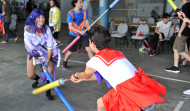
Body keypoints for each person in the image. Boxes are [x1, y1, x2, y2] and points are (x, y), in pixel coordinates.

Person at [70, 25, 166, 111]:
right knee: (101, 103)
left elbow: (86, 75)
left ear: (92, 43)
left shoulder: (94, 61)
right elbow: (101, 75)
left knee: (101, 103)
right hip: (141, 87)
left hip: (129, 92)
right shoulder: (118, 53)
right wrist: (81, 79)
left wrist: (76, 75)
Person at [24, 9, 61, 100]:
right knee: (30, 75)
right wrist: (39, 59)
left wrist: (47, 61)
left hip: (45, 52)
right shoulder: (28, 29)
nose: (41, 19)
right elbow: (29, 46)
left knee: (50, 69)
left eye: (43, 17)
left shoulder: (47, 28)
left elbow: (49, 46)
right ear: (34, 18)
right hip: (33, 53)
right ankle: (38, 79)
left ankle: (48, 91)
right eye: (39, 17)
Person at [62, 0, 93, 69]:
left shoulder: (84, 11)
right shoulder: (70, 13)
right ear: (75, 3)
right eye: (80, 2)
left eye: (82, 2)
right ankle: (64, 62)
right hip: (73, 35)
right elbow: (70, 26)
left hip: (83, 35)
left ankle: (93, 65)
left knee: (89, 49)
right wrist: (79, 31)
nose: (82, 4)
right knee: (70, 51)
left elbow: (86, 20)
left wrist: (88, 27)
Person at [165, 0, 190, 73]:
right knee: (175, 48)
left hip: (184, 32)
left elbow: (186, 21)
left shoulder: (186, 6)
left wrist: (180, 31)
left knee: (180, 51)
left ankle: (176, 67)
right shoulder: (185, 6)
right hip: (184, 31)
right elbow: (185, 19)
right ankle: (175, 67)